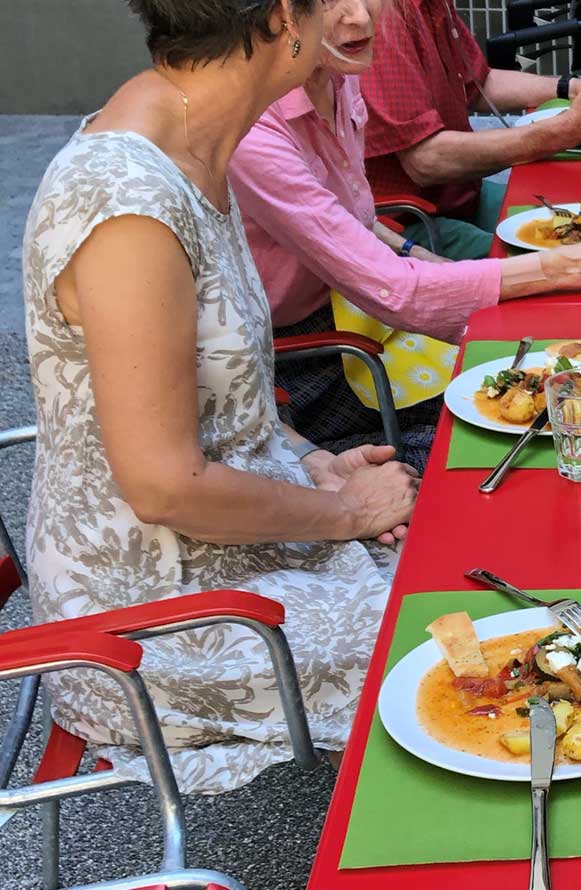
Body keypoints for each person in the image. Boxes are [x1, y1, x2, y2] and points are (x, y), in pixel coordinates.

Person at [21, 0, 416, 793]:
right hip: (144, 615)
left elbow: (224, 404)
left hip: (221, 548)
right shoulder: (128, 204)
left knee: (460, 571)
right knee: (448, 646)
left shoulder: (192, 143)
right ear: (282, 19)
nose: (362, 9)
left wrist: (314, 464)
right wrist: (347, 513)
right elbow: (165, 484)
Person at [230, 0, 581, 469]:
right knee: (536, 414)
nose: (361, 16)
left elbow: (352, 219)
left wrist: (419, 256)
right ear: (284, 14)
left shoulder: (338, 67)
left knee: (567, 364)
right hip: (317, 356)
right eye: (330, 1)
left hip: (369, 302)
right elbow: (395, 288)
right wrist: (565, 266)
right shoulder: (256, 128)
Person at [360, 0, 581, 259]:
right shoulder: (387, 19)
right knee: (577, 249)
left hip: (462, 196)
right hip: (411, 222)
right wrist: (572, 128)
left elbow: (481, 83)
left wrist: (573, 88)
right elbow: (427, 160)